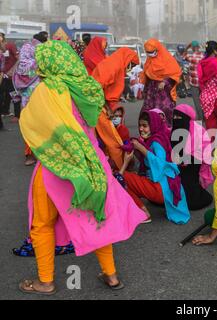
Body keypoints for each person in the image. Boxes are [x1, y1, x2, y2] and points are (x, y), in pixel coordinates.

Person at [18, 40, 147, 295]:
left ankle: (46, 281)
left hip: (56, 167)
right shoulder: (87, 87)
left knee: (42, 224)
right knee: (96, 216)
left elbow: (32, 125)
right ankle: (110, 275)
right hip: (91, 165)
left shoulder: (47, 91)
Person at [120, 110, 191, 225]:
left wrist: (141, 149)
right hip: (166, 189)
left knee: (121, 177)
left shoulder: (156, 142)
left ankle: (143, 213)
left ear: (153, 125)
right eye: (140, 126)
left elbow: (161, 164)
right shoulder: (157, 137)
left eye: (145, 126)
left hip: (162, 189)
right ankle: (139, 209)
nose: (141, 129)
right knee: (127, 177)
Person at [92, 48, 139, 171]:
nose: (132, 68)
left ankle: (110, 168)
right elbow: (96, 88)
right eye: (132, 64)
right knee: (113, 141)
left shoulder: (114, 64)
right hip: (98, 107)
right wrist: (107, 108)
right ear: (127, 59)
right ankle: (121, 170)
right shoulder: (114, 66)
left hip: (100, 106)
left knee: (103, 140)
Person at [171, 104, 214, 211]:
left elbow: (206, 150)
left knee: (192, 201)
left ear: (186, 117)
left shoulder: (199, 130)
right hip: (176, 163)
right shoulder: (172, 130)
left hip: (193, 162)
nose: (176, 120)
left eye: (179, 117)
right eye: (174, 117)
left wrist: (188, 158)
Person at [13, 33, 45, 166]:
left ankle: (34, 154)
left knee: (35, 126)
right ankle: (31, 154)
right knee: (34, 126)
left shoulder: (23, 64)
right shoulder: (35, 63)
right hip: (34, 101)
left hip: (33, 101)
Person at [141, 39, 182, 124]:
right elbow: (147, 75)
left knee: (164, 112)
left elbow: (175, 73)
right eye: (148, 52)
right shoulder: (149, 61)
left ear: (158, 49)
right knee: (148, 113)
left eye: (152, 51)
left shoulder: (167, 59)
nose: (150, 54)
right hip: (151, 92)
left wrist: (164, 82)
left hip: (163, 91)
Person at [0, 33, 20, 119]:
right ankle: (5, 111)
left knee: (14, 94)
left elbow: (19, 59)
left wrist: (12, 71)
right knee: (3, 94)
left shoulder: (10, 45)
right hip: (2, 76)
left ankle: (17, 115)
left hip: (11, 77)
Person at [183, 41, 204, 120]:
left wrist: (187, 47)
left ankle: (200, 117)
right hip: (202, 83)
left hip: (194, 83)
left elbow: (184, 55)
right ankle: (204, 116)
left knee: (197, 101)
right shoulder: (203, 57)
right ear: (198, 47)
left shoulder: (191, 57)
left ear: (192, 48)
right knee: (203, 101)